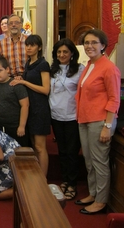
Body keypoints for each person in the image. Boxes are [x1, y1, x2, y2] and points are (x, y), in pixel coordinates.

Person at [75, 29, 121, 215]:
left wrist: (107, 126)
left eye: (94, 42)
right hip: (85, 119)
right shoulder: (89, 65)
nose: (89, 46)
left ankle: (101, 201)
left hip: (100, 121)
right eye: (86, 43)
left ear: (103, 45)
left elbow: (114, 99)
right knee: (89, 161)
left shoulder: (109, 67)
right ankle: (93, 193)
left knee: (99, 162)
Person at [10, 34, 51, 176]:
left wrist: (24, 82)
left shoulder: (43, 64)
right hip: (30, 107)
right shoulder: (28, 63)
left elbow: (45, 89)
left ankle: (43, 179)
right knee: (34, 144)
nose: (28, 48)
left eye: (32, 45)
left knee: (40, 147)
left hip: (40, 108)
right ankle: (38, 175)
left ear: (39, 47)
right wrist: (21, 78)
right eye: (27, 45)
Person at [49, 38, 84, 200]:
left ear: (72, 54)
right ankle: (65, 180)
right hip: (56, 116)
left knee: (71, 152)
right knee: (62, 151)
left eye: (65, 52)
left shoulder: (80, 70)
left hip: (72, 116)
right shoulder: (52, 70)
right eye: (59, 52)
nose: (62, 55)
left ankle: (72, 184)